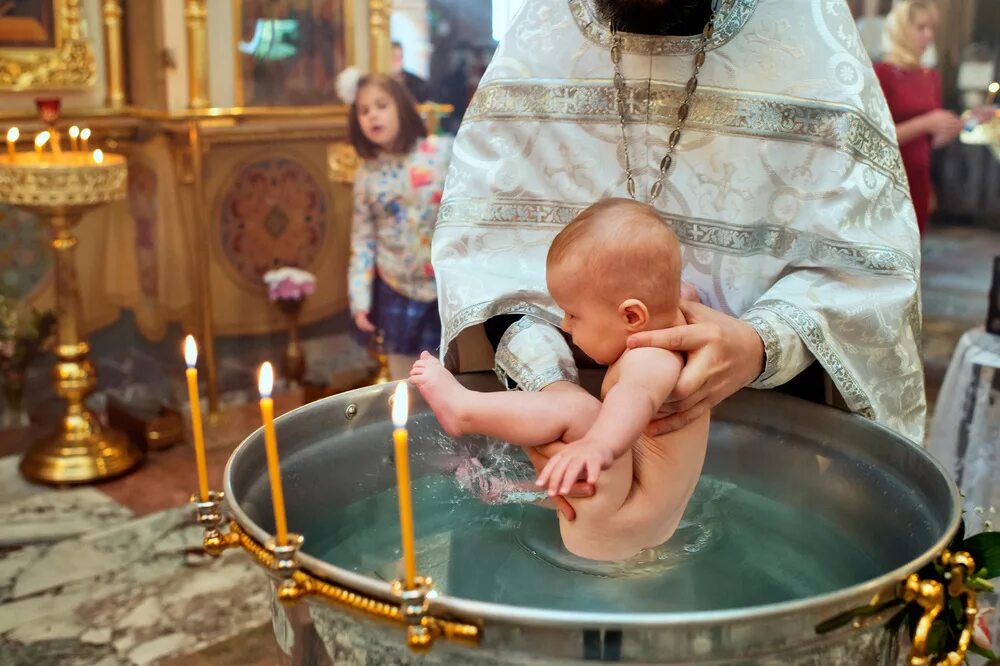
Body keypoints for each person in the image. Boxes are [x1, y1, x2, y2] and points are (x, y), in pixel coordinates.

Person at [433, 0, 926, 489]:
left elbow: (867, 270)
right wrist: (552, 389)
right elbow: (482, 254)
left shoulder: (810, 37)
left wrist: (760, 344)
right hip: (554, 446)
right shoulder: (539, 41)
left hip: (762, 444)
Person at [413, 199, 708, 561]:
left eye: (573, 314)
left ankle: (464, 410)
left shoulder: (652, 359)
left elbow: (634, 397)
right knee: (584, 454)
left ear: (632, 315)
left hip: (614, 522)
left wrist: (598, 444)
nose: (566, 327)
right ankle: (509, 489)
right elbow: (684, 291)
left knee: (581, 410)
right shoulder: (680, 320)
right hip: (644, 527)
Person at [346, 73, 451, 379]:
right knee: (404, 380)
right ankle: (406, 427)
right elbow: (363, 240)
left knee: (450, 373)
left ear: (402, 108)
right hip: (396, 288)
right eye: (364, 110)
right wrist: (359, 298)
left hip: (444, 287)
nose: (373, 115)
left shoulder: (441, 152)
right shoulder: (367, 175)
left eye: (381, 105)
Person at [874, 0, 961, 234]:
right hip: (887, 179)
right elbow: (874, 136)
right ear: (902, 29)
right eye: (921, 28)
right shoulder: (881, 74)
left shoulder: (930, 76)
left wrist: (956, 126)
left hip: (919, 178)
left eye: (932, 29)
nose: (929, 36)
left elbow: (931, 141)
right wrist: (926, 123)